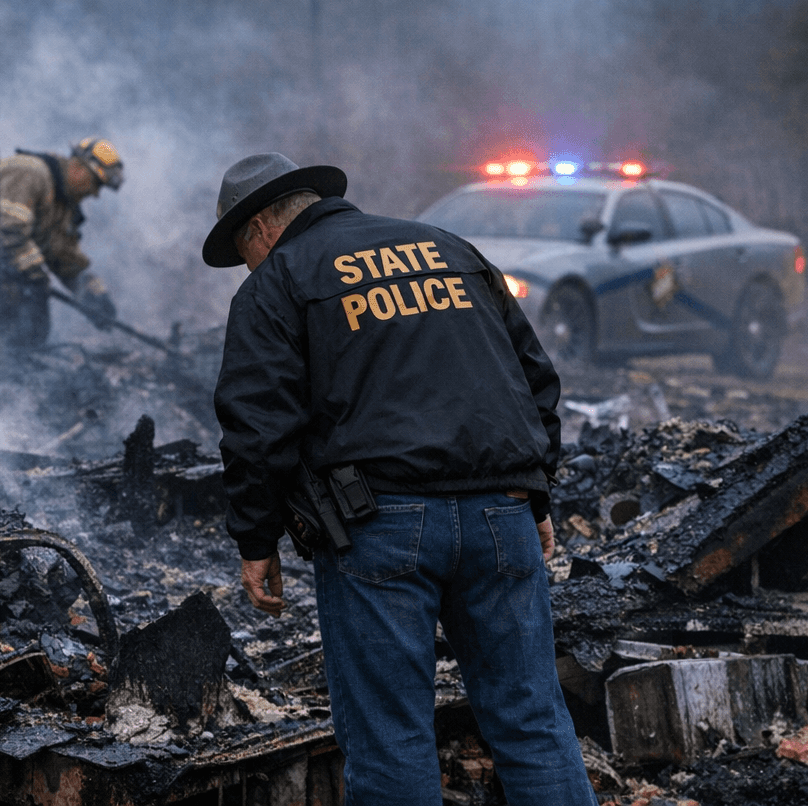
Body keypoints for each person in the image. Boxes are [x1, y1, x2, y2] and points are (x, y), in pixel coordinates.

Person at [203, 153, 595, 806]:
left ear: (261, 228)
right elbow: (536, 380)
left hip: (380, 530)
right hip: (504, 516)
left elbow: (255, 423)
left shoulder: (278, 282)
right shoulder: (452, 251)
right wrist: (537, 490)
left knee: (390, 739)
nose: (247, 266)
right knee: (533, 722)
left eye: (244, 250)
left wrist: (255, 538)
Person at [0, 136, 124, 345]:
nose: (95, 193)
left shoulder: (62, 204)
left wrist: (93, 294)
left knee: (34, 322)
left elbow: (63, 256)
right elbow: (7, 232)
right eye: (96, 184)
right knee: (25, 307)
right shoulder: (30, 172)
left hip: (3, 273)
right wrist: (37, 276)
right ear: (77, 168)